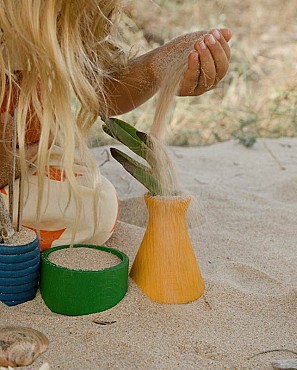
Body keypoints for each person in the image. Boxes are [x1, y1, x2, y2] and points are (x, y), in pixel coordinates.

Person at [0, 1, 231, 250]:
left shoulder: (72, 8)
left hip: (28, 159)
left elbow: (102, 89)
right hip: (10, 163)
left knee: (94, 208)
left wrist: (157, 67)